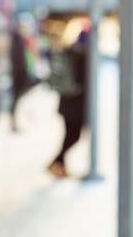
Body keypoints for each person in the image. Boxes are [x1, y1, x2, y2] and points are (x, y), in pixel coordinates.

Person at [47, 29, 88, 178]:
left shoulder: (69, 52)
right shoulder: (83, 57)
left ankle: (59, 165)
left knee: (69, 136)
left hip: (66, 103)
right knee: (73, 136)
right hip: (76, 106)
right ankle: (55, 163)